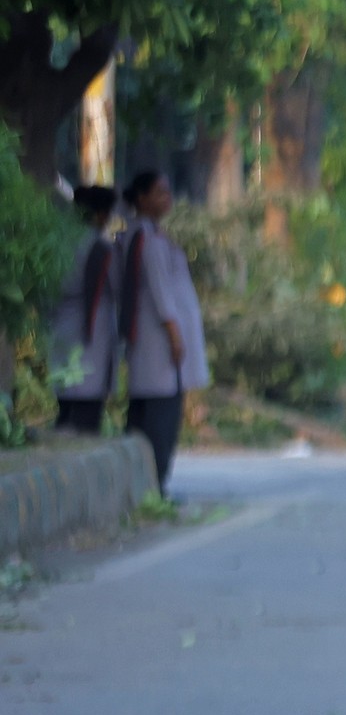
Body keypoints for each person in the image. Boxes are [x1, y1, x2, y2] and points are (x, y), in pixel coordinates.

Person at [116, 171, 206, 491]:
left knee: (146, 413)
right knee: (159, 419)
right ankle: (154, 486)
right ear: (141, 198)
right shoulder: (148, 241)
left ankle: (146, 487)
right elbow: (161, 292)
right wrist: (174, 334)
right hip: (159, 342)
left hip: (154, 342)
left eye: (168, 192)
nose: (167, 198)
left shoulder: (146, 235)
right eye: (159, 192)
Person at [48, 183, 118, 436]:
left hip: (60, 327)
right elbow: (118, 286)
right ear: (101, 214)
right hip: (91, 331)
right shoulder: (100, 248)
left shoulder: (58, 243)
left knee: (65, 406)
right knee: (86, 413)